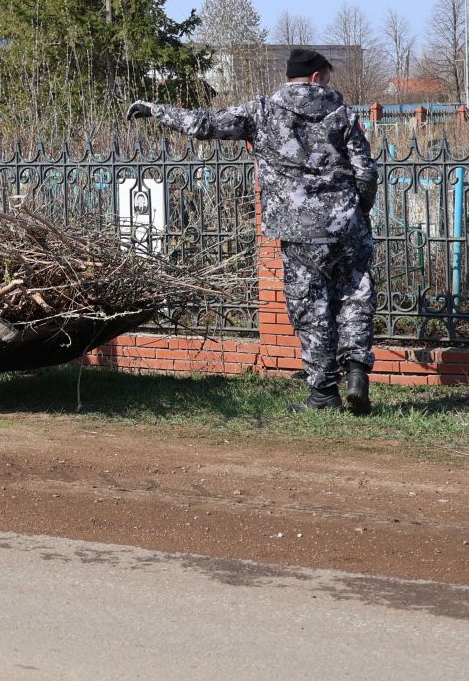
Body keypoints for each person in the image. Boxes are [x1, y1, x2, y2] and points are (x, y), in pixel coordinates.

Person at [128, 48, 379, 414]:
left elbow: (204, 123)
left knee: (312, 307)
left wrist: (155, 110)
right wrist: (360, 210)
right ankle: (356, 371)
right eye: (326, 75)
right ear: (314, 77)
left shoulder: (261, 111)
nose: (329, 82)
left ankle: (324, 393)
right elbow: (366, 171)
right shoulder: (343, 114)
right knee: (355, 295)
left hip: (299, 230)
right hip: (348, 224)